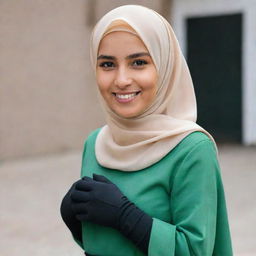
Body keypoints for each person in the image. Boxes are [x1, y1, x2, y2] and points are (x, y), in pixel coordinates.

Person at [60, 5, 233, 256]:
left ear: (164, 66)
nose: (121, 80)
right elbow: (103, 244)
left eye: (138, 62)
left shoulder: (191, 149)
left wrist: (126, 217)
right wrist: (77, 223)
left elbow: (195, 251)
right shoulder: (96, 143)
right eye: (107, 64)